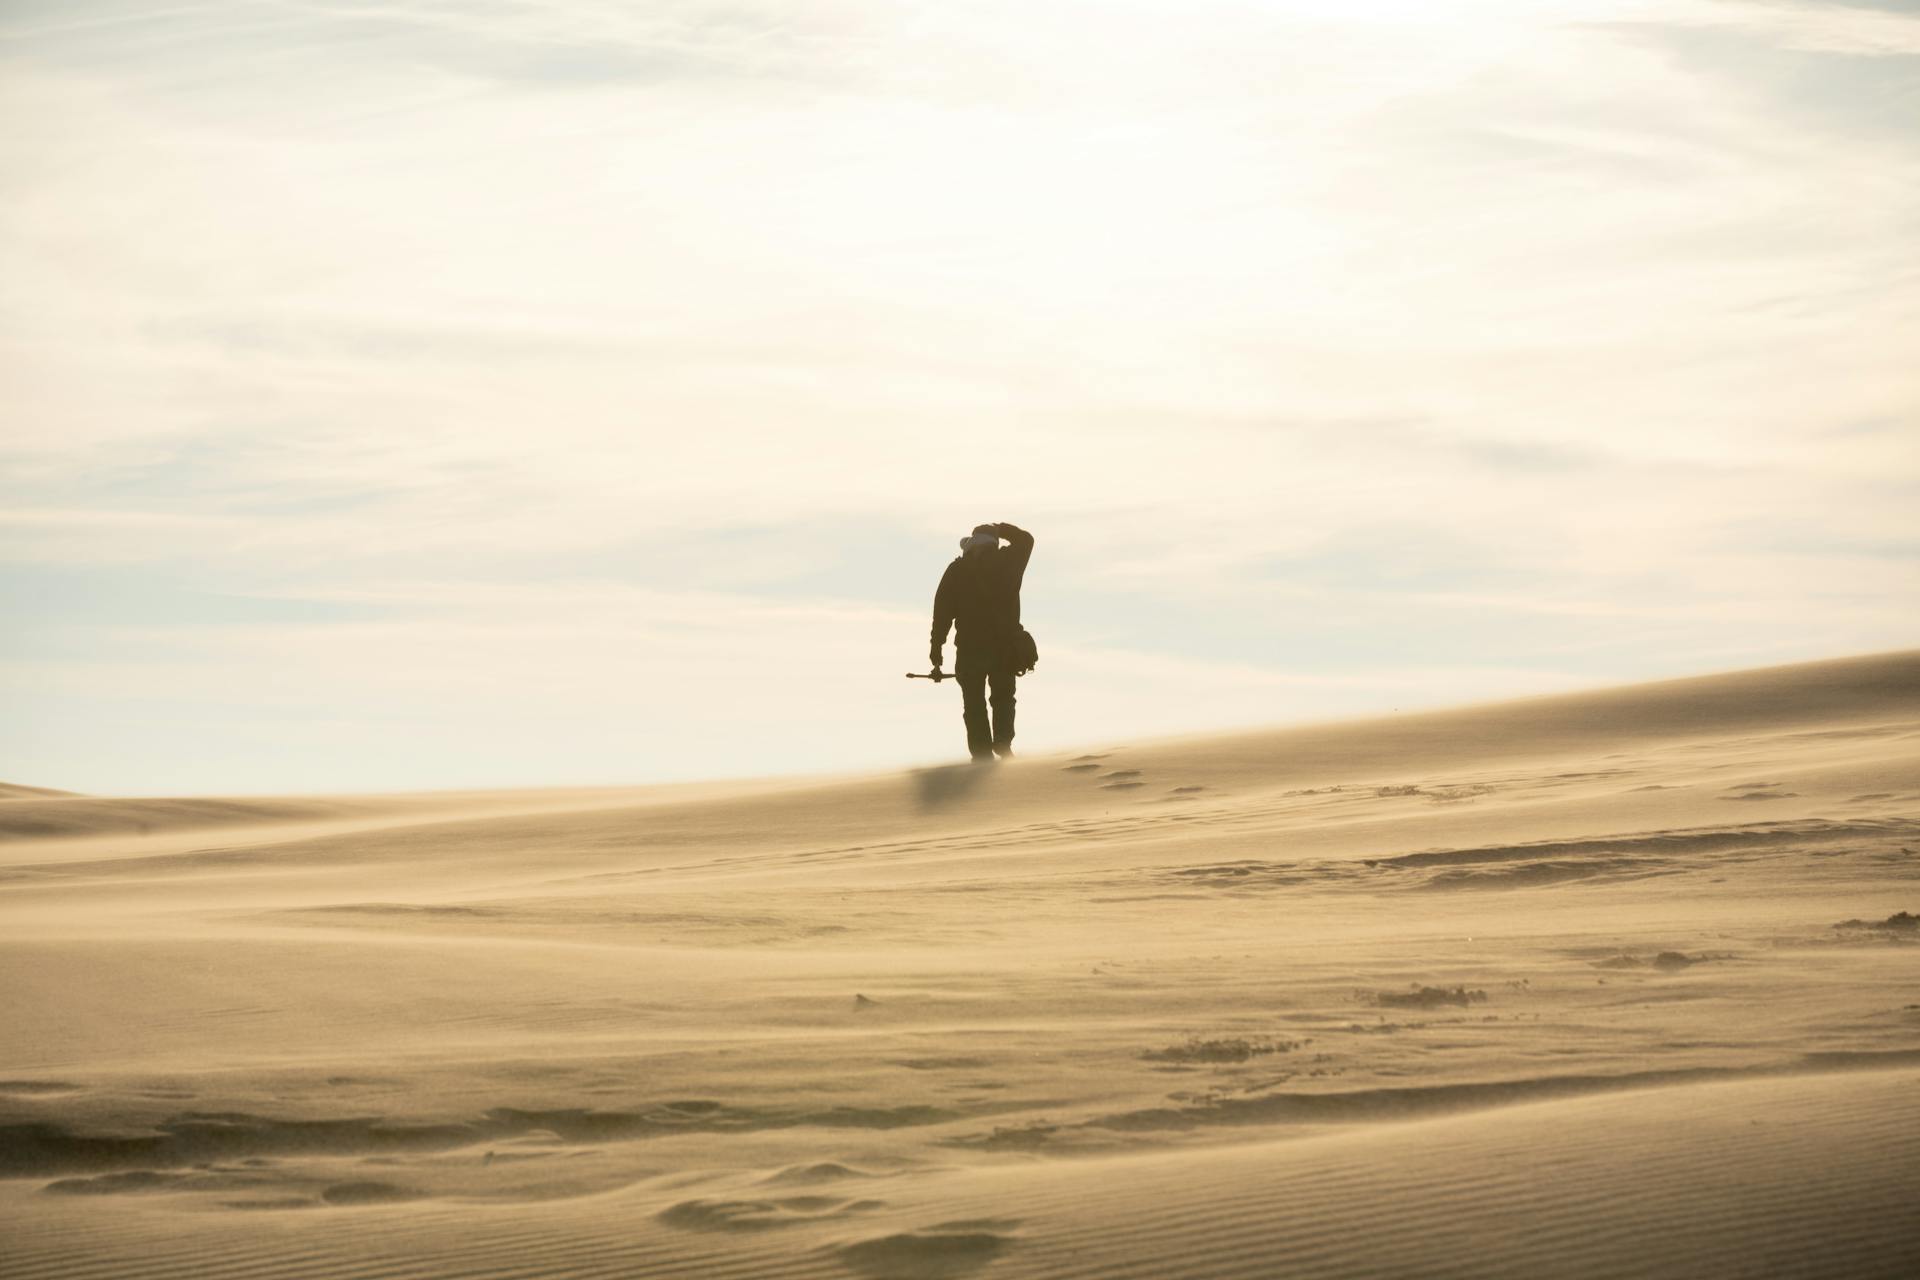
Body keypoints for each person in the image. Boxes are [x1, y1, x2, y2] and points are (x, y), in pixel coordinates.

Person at [930, 521, 1034, 762]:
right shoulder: (1009, 562)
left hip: (969, 650)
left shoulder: (956, 571)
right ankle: (1003, 743)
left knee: (973, 704)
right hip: (1003, 647)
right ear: (994, 542)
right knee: (1003, 697)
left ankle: (981, 755)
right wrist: (1002, 528)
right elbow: (1026, 540)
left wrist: (936, 649)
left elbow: (942, 613)